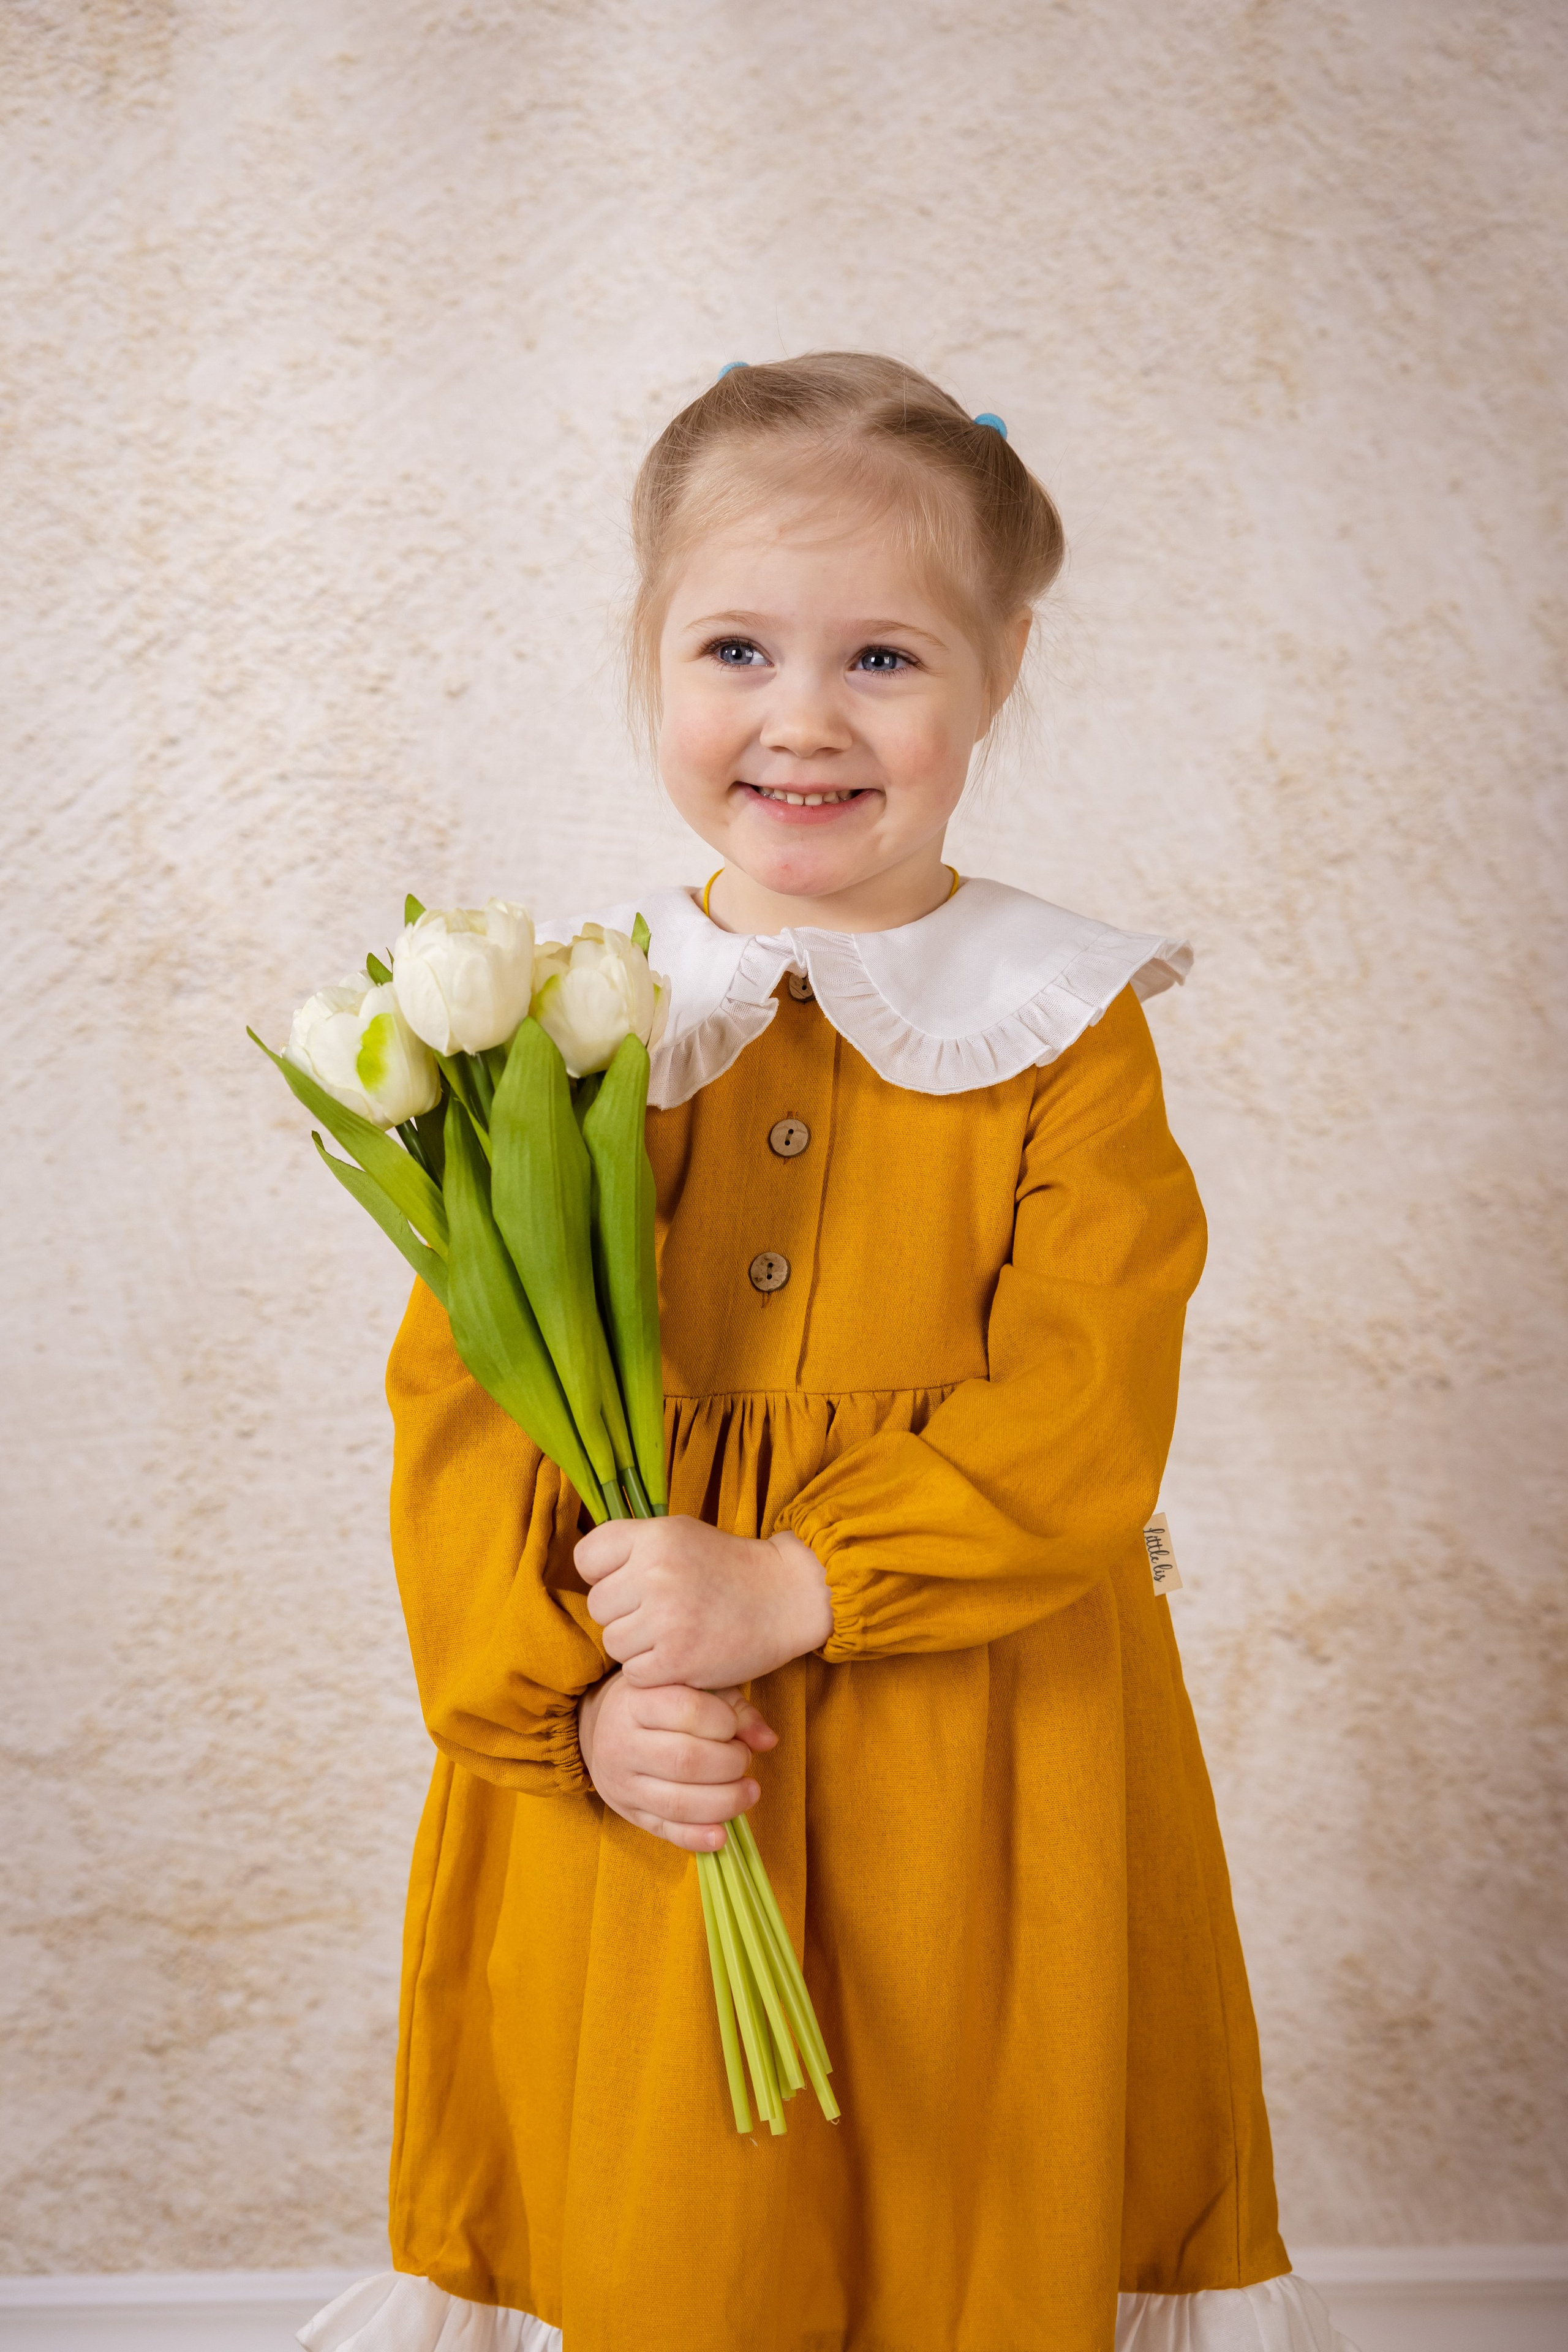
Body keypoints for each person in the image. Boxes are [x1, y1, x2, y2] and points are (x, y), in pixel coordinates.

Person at [303, 354, 1354, 2352]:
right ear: (649, 653)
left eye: (883, 655)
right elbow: (463, 1414)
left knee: (975, 2184)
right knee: (673, 2212)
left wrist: (803, 1578)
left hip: (985, 1753)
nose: (803, 718)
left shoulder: (1066, 1023)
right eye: (736, 648)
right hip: (665, 1754)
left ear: (1001, 670)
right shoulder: (550, 1023)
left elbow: (1087, 1402)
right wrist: (575, 1720)